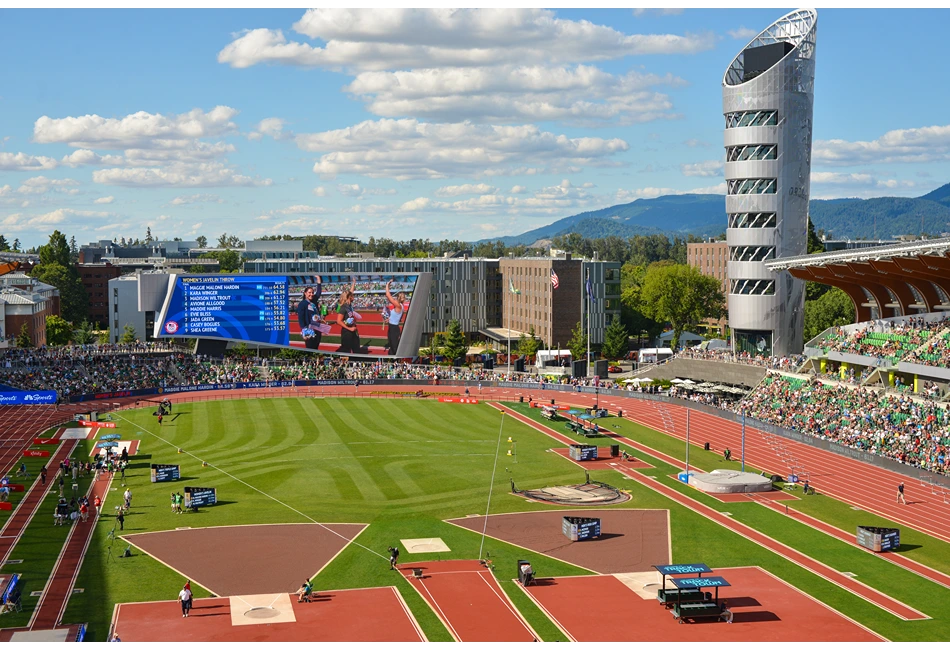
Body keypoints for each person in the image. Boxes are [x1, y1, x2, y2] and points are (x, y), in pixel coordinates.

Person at [336, 285, 366, 355]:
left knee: (356, 349)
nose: (354, 297)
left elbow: (350, 292)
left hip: (353, 330)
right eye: (353, 295)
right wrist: (350, 329)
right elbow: (338, 321)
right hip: (347, 332)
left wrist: (354, 284)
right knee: (346, 351)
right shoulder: (343, 307)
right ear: (349, 297)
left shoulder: (349, 306)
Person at [296, 278, 324, 351]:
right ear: (305, 293)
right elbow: (301, 318)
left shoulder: (314, 301)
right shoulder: (302, 304)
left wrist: (319, 280)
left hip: (317, 329)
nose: (311, 294)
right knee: (310, 349)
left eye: (312, 292)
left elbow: (319, 292)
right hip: (309, 330)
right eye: (309, 292)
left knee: (316, 348)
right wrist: (304, 331)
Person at [384, 279, 406, 355]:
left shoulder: (398, 305)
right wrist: (389, 319)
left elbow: (388, 295)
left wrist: (387, 284)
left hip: (394, 329)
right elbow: (398, 318)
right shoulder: (401, 307)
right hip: (392, 327)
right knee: (392, 346)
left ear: (398, 298)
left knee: (394, 348)